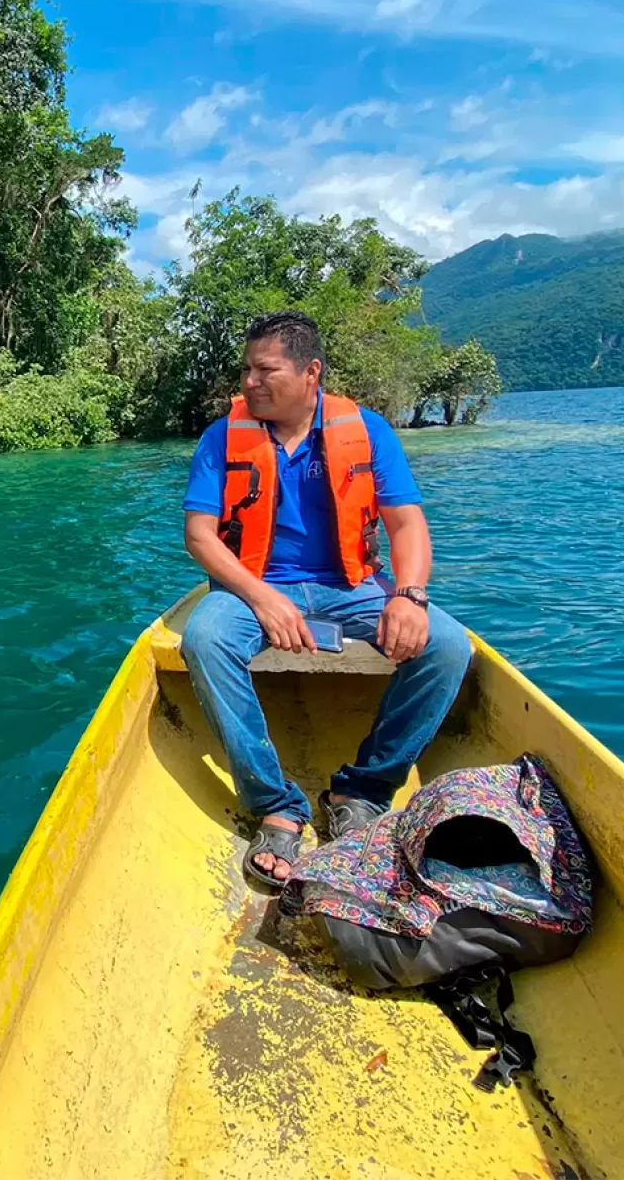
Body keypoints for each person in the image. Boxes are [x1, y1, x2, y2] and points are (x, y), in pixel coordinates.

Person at [180, 309, 472, 891]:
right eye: (245, 370)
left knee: (446, 645)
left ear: (310, 372)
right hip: (254, 584)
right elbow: (200, 536)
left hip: (353, 585)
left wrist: (410, 597)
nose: (250, 383)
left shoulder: (365, 431)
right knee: (205, 637)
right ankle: (276, 805)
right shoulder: (223, 437)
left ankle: (361, 789)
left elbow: (407, 525)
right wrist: (262, 598)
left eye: (265, 371)